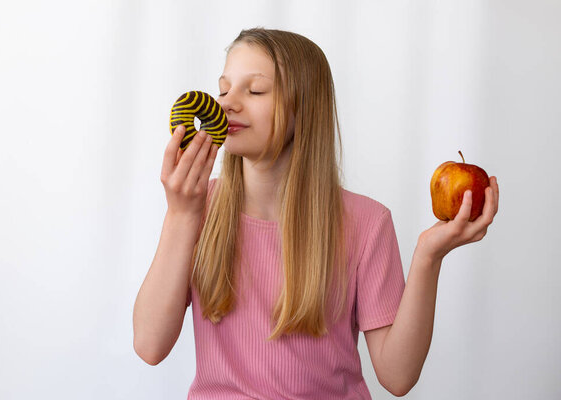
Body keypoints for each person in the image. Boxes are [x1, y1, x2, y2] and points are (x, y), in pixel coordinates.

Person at [133, 27, 499, 399]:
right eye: (224, 89)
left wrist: (428, 257)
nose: (227, 103)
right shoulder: (197, 207)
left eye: (255, 90)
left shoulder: (366, 223)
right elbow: (149, 345)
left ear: (304, 107)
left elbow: (397, 376)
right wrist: (181, 216)